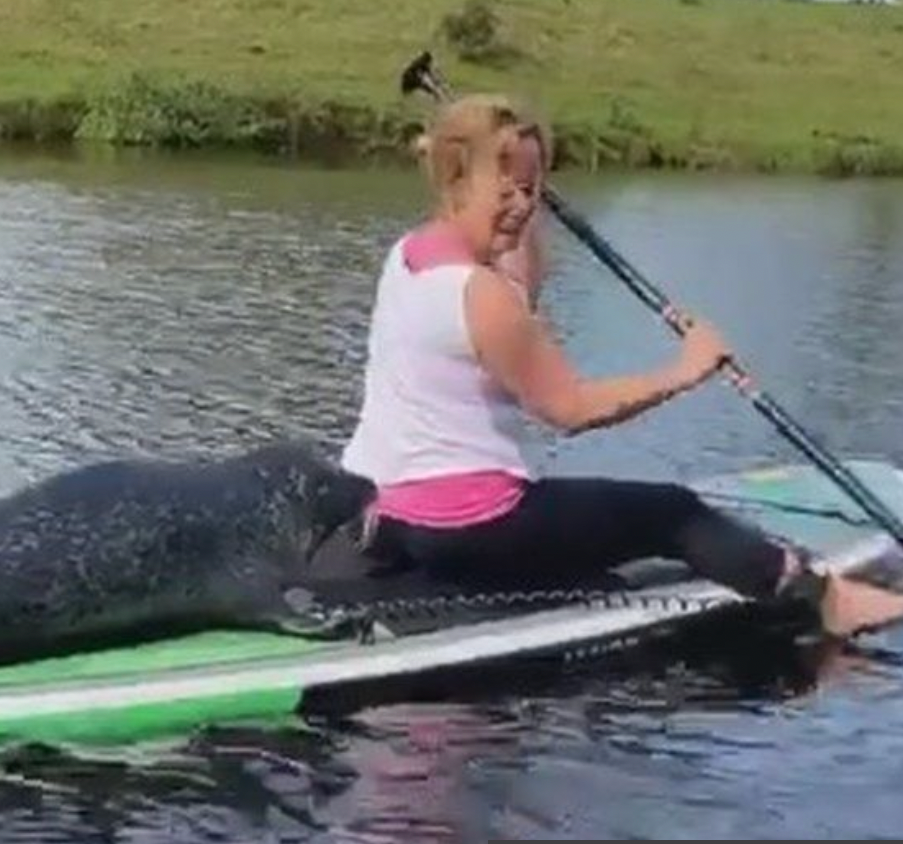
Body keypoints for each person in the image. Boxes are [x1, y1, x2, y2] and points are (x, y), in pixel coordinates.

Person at [340, 93, 903, 637]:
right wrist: (688, 369)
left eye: (532, 189)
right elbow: (570, 409)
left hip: (391, 518)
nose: (521, 204)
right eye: (506, 188)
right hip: (468, 527)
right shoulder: (483, 297)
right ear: (456, 179)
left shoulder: (410, 257)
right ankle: (826, 602)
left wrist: (519, 209)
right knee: (671, 512)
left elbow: (515, 293)